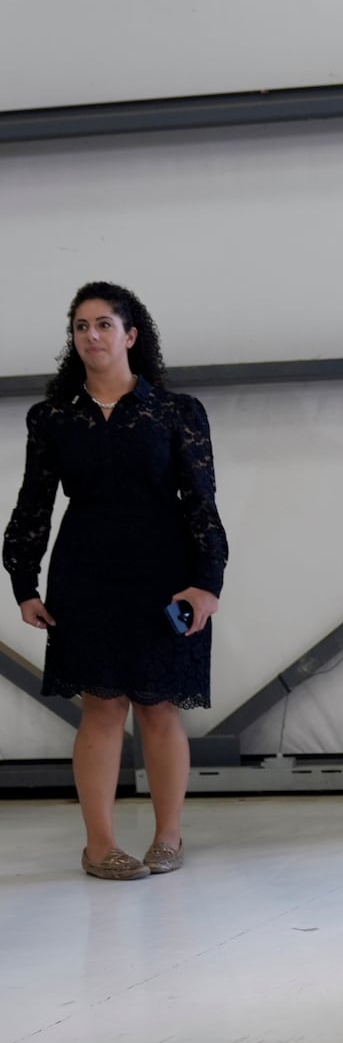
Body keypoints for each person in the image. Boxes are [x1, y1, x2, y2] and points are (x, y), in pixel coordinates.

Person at [3, 282, 228, 879]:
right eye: (81, 326)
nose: (92, 336)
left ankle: (168, 837)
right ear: (72, 340)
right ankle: (99, 845)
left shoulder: (178, 412)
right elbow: (33, 505)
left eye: (104, 324)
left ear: (131, 335)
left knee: (158, 707)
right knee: (102, 707)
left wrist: (208, 582)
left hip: (165, 575)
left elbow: (202, 503)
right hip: (86, 573)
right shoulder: (51, 418)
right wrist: (23, 582)